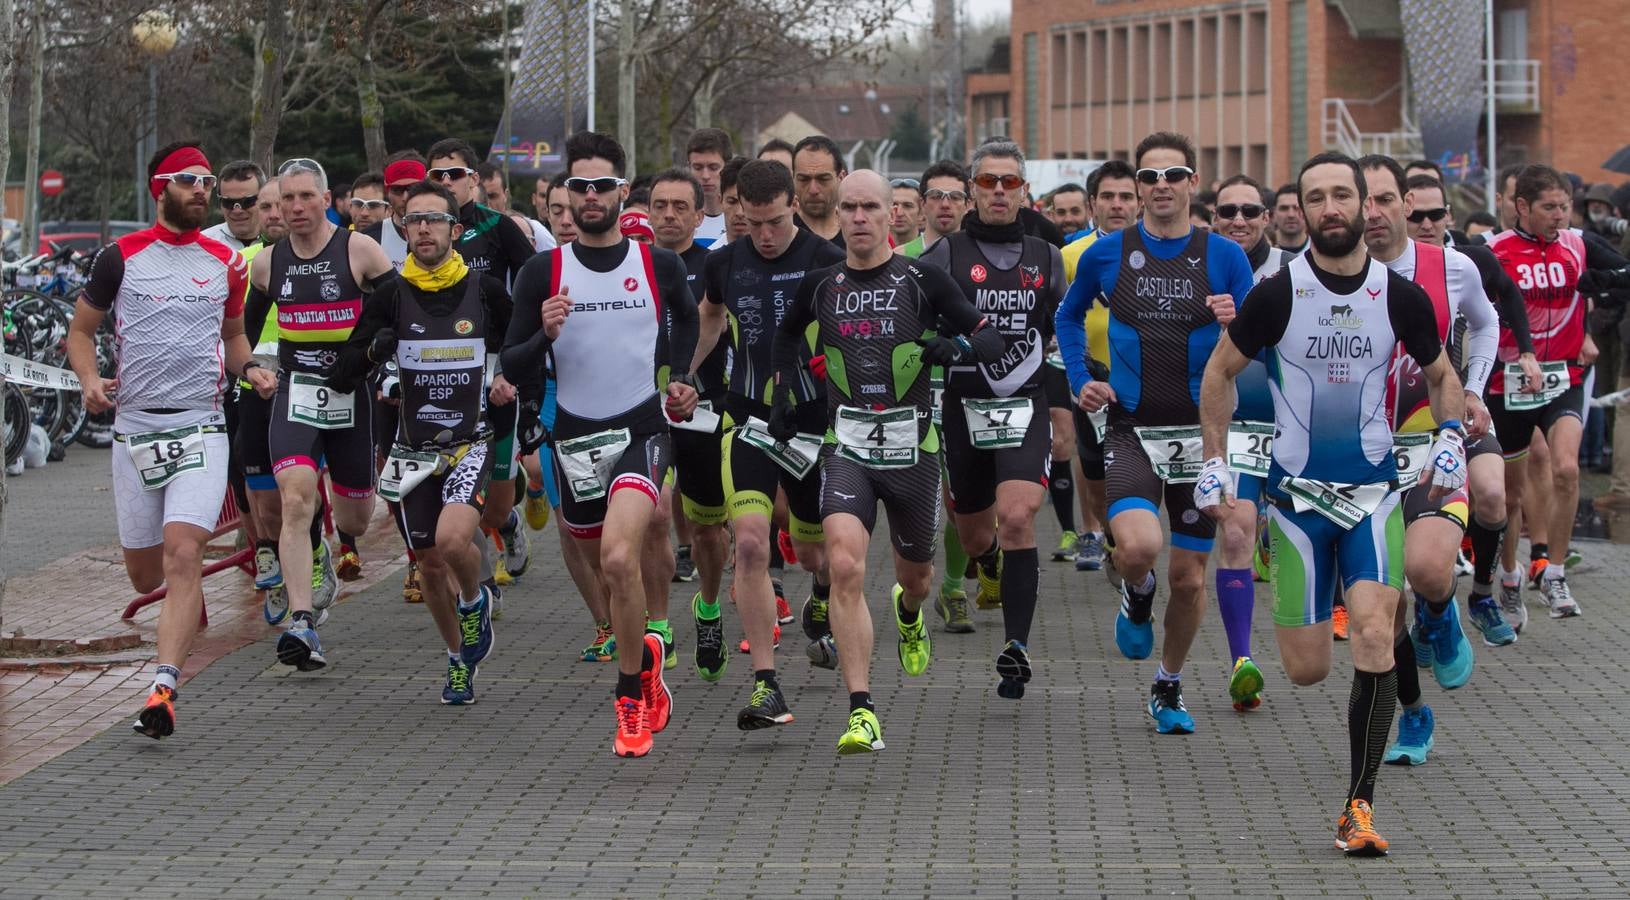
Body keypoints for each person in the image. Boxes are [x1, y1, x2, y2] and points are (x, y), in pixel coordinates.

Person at [1197, 151, 1467, 857]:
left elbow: (1443, 377)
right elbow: (1220, 373)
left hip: (1375, 496)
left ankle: (1359, 806)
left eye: (1342, 194)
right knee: (1309, 668)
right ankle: (1352, 620)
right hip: (1295, 503)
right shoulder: (1277, 294)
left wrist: (1448, 435)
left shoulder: (1401, 296)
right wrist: (1216, 459)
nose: (1331, 207)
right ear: (1305, 211)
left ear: (1367, 206)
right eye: (1316, 197)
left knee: (1374, 635)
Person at [772, 169, 1004, 753]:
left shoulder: (923, 279)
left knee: (916, 577)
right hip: (845, 448)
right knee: (845, 567)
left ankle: (908, 613)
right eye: (848, 208)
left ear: (896, 216)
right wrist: (786, 393)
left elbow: (994, 338)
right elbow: (784, 338)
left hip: (915, 455)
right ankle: (862, 711)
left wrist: (959, 347)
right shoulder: (822, 284)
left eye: (870, 208)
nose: (857, 218)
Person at [501, 131, 699, 758]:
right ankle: (648, 653)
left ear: (621, 188)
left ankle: (630, 698)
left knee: (620, 559)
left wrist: (682, 378)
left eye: (601, 186)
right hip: (575, 439)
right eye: (578, 188)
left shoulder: (657, 264)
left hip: (642, 428)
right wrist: (543, 333)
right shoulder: (544, 271)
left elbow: (689, 315)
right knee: (602, 564)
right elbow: (512, 362)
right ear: (567, 194)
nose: (590, 197)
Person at [66, 141, 274, 739]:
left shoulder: (224, 262)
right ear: (162, 187)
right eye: (189, 181)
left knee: (184, 552)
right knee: (145, 576)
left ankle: (164, 687)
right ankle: (163, 661)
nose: (202, 191)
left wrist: (252, 369)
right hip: (134, 429)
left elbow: (234, 340)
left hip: (201, 425)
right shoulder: (119, 257)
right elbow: (81, 333)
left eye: (207, 181)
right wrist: (87, 381)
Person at [1054, 132, 1253, 735]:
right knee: (1139, 547)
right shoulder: (1106, 254)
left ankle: (1168, 685)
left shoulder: (1224, 256)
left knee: (1190, 578)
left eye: (1174, 174)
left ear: (1194, 183)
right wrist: (1081, 379)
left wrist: (1237, 321)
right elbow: (1066, 316)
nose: (1161, 185)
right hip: (1131, 427)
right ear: (1138, 188)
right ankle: (1135, 590)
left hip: (1204, 437)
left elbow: (1259, 341)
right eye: (1150, 177)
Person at [327, 180, 512, 704]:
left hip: (471, 441)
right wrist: (374, 356)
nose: (423, 228)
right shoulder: (389, 294)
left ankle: (474, 601)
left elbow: (520, 349)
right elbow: (345, 371)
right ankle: (457, 658)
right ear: (402, 230)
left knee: (454, 543)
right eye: (413, 220)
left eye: (434, 219)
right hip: (412, 451)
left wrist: (509, 381)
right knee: (429, 561)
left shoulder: (486, 291)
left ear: (456, 230)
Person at [1355, 156, 1510, 767]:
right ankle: (1414, 715)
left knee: (1425, 569)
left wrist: (1473, 388)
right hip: (1360, 458)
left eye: (1384, 199)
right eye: (1359, 199)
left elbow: (1489, 323)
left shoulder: (1449, 266)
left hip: (1433, 441)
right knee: (1380, 611)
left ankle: (1445, 611)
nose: (1373, 212)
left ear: (1402, 202)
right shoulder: (1312, 276)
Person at [691, 159, 843, 725]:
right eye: (752, 223)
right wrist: (686, 373)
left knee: (811, 553)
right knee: (751, 543)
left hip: (813, 423)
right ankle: (766, 683)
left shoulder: (828, 261)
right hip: (750, 419)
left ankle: (821, 598)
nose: (765, 235)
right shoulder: (724, 262)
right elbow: (709, 318)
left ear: (794, 208)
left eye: (775, 221)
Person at [920, 140, 1064, 698]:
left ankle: (1016, 647)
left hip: (1023, 402)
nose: (999, 192)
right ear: (972, 190)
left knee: (1019, 516)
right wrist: (942, 344)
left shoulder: (1047, 256)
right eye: (988, 183)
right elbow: (913, 320)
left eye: (1009, 183)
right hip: (963, 406)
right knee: (977, 533)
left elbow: (1063, 326)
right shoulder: (944, 255)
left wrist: (1071, 389)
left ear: (1025, 191)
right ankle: (989, 561)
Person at [245, 157, 395, 670]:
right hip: (296, 395)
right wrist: (249, 366)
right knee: (295, 499)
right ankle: (303, 624)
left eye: (306, 196)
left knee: (354, 514)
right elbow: (239, 332)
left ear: (328, 199)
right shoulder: (267, 264)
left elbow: (399, 317)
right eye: (287, 198)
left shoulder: (359, 250)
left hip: (351, 397)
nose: (296, 207)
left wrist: (376, 358)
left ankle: (330, 546)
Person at [1484, 164, 1630, 620]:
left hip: (1562, 376)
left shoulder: (1579, 244)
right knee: (1509, 495)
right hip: (1507, 379)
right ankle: (1509, 573)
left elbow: (1626, 272)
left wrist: (1600, 289)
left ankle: (1555, 571)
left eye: (1565, 206)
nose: (1560, 216)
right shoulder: (1494, 250)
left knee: (1566, 468)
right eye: (1549, 207)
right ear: (1522, 207)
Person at [1403, 173, 1540, 635]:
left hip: (1464, 404)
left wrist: (1482, 384)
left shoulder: (1469, 260)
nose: (1425, 223)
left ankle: (1482, 593)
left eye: (1434, 214)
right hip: (1406, 418)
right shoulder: (1381, 266)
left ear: (1449, 216)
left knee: (1496, 495)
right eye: (1415, 214)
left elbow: (1503, 307)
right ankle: (1430, 605)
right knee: (1420, 535)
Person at [427, 139, 537, 587]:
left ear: (474, 178)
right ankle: (479, 588)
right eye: (438, 175)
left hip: (494, 365)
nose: (447, 182)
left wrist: (513, 365)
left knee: (493, 502)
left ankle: (507, 523)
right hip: (441, 366)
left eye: (454, 174)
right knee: (450, 483)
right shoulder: (423, 230)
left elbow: (533, 286)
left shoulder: (497, 226)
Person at [1205, 173, 1287, 711]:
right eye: (1228, 211)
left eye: (1250, 212)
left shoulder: (1294, 273)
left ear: (1268, 218)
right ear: (1213, 217)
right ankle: (1242, 662)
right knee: (1234, 535)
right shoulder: (1198, 266)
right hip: (1234, 430)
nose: (1239, 220)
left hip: (1295, 432)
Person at [650, 169, 730, 633]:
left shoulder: (716, 267)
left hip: (705, 409)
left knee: (705, 530)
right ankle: (657, 624)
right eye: (660, 205)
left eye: (681, 207)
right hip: (644, 411)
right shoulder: (630, 265)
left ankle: (709, 606)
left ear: (700, 215)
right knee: (653, 513)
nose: (669, 215)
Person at [1061, 160, 1140, 575]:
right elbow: (1061, 315)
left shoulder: (1156, 250)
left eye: (1126, 196)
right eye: (1107, 196)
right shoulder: (1073, 255)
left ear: (1139, 202)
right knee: (1094, 469)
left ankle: (1129, 548)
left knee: (1132, 471)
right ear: (1092, 204)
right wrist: (1079, 373)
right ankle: (1101, 533)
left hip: (1145, 382)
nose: (1117, 204)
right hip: (1091, 379)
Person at [363, 154, 427, 271]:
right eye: (397, 190)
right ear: (387, 193)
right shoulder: (370, 238)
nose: (405, 197)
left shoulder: (447, 231)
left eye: (413, 188)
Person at [897, 160, 969, 259]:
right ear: (922, 204)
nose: (945, 205)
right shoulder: (899, 257)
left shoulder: (979, 258)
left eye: (955, 197)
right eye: (936, 196)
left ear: (967, 205)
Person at [478, 162, 556, 252]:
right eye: (482, 197)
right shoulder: (462, 234)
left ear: (505, 195)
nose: (488, 204)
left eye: (493, 196)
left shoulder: (534, 230)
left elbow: (556, 264)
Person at [791, 135, 848, 246]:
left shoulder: (857, 233)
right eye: (804, 179)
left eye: (823, 179)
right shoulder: (781, 236)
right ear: (793, 179)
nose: (813, 190)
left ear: (841, 178)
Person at [202, 160, 266, 251]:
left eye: (246, 202)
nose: (237, 211)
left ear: (264, 199)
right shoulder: (202, 246)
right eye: (228, 203)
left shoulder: (283, 241)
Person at [687, 128, 732, 247]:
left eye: (713, 168)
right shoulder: (679, 217)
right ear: (689, 167)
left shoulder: (742, 218)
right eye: (698, 168)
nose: (705, 176)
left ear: (728, 167)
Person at [719, 156, 751, 243]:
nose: (739, 213)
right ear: (720, 201)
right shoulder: (708, 255)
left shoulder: (775, 254)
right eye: (732, 202)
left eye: (747, 202)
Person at [1272, 182, 1308, 253]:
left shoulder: (1320, 251)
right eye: (1284, 208)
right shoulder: (1263, 251)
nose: (1291, 215)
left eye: (1297, 208)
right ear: (1274, 213)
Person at [889, 177, 924, 248]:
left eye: (907, 206)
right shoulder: (869, 251)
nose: (899, 213)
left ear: (921, 213)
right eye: (894, 205)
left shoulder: (933, 251)